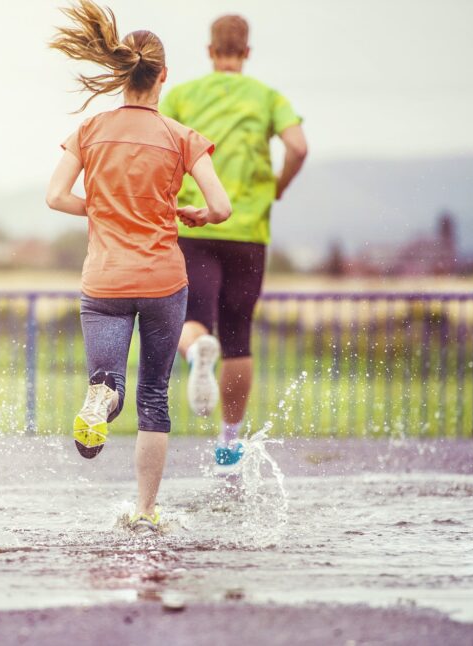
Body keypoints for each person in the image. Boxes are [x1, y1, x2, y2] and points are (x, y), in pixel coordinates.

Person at [46, 0, 232, 532]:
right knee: (154, 395)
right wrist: (194, 212)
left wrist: (101, 208)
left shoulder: (90, 130)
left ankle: (101, 398)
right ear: (163, 77)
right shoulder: (180, 136)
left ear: (121, 72)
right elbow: (220, 207)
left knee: (109, 382)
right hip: (162, 279)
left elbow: (56, 196)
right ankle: (146, 512)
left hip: (103, 280)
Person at [160, 14, 308, 469]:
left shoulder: (183, 95)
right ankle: (228, 442)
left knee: (192, 320)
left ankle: (196, 354)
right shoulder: (266, 97)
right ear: (246, 53)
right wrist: (277, 186)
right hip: (247, 231)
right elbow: (298, 146)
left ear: (209, 51)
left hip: (194, 224)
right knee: (239, 337)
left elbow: (161, 147)